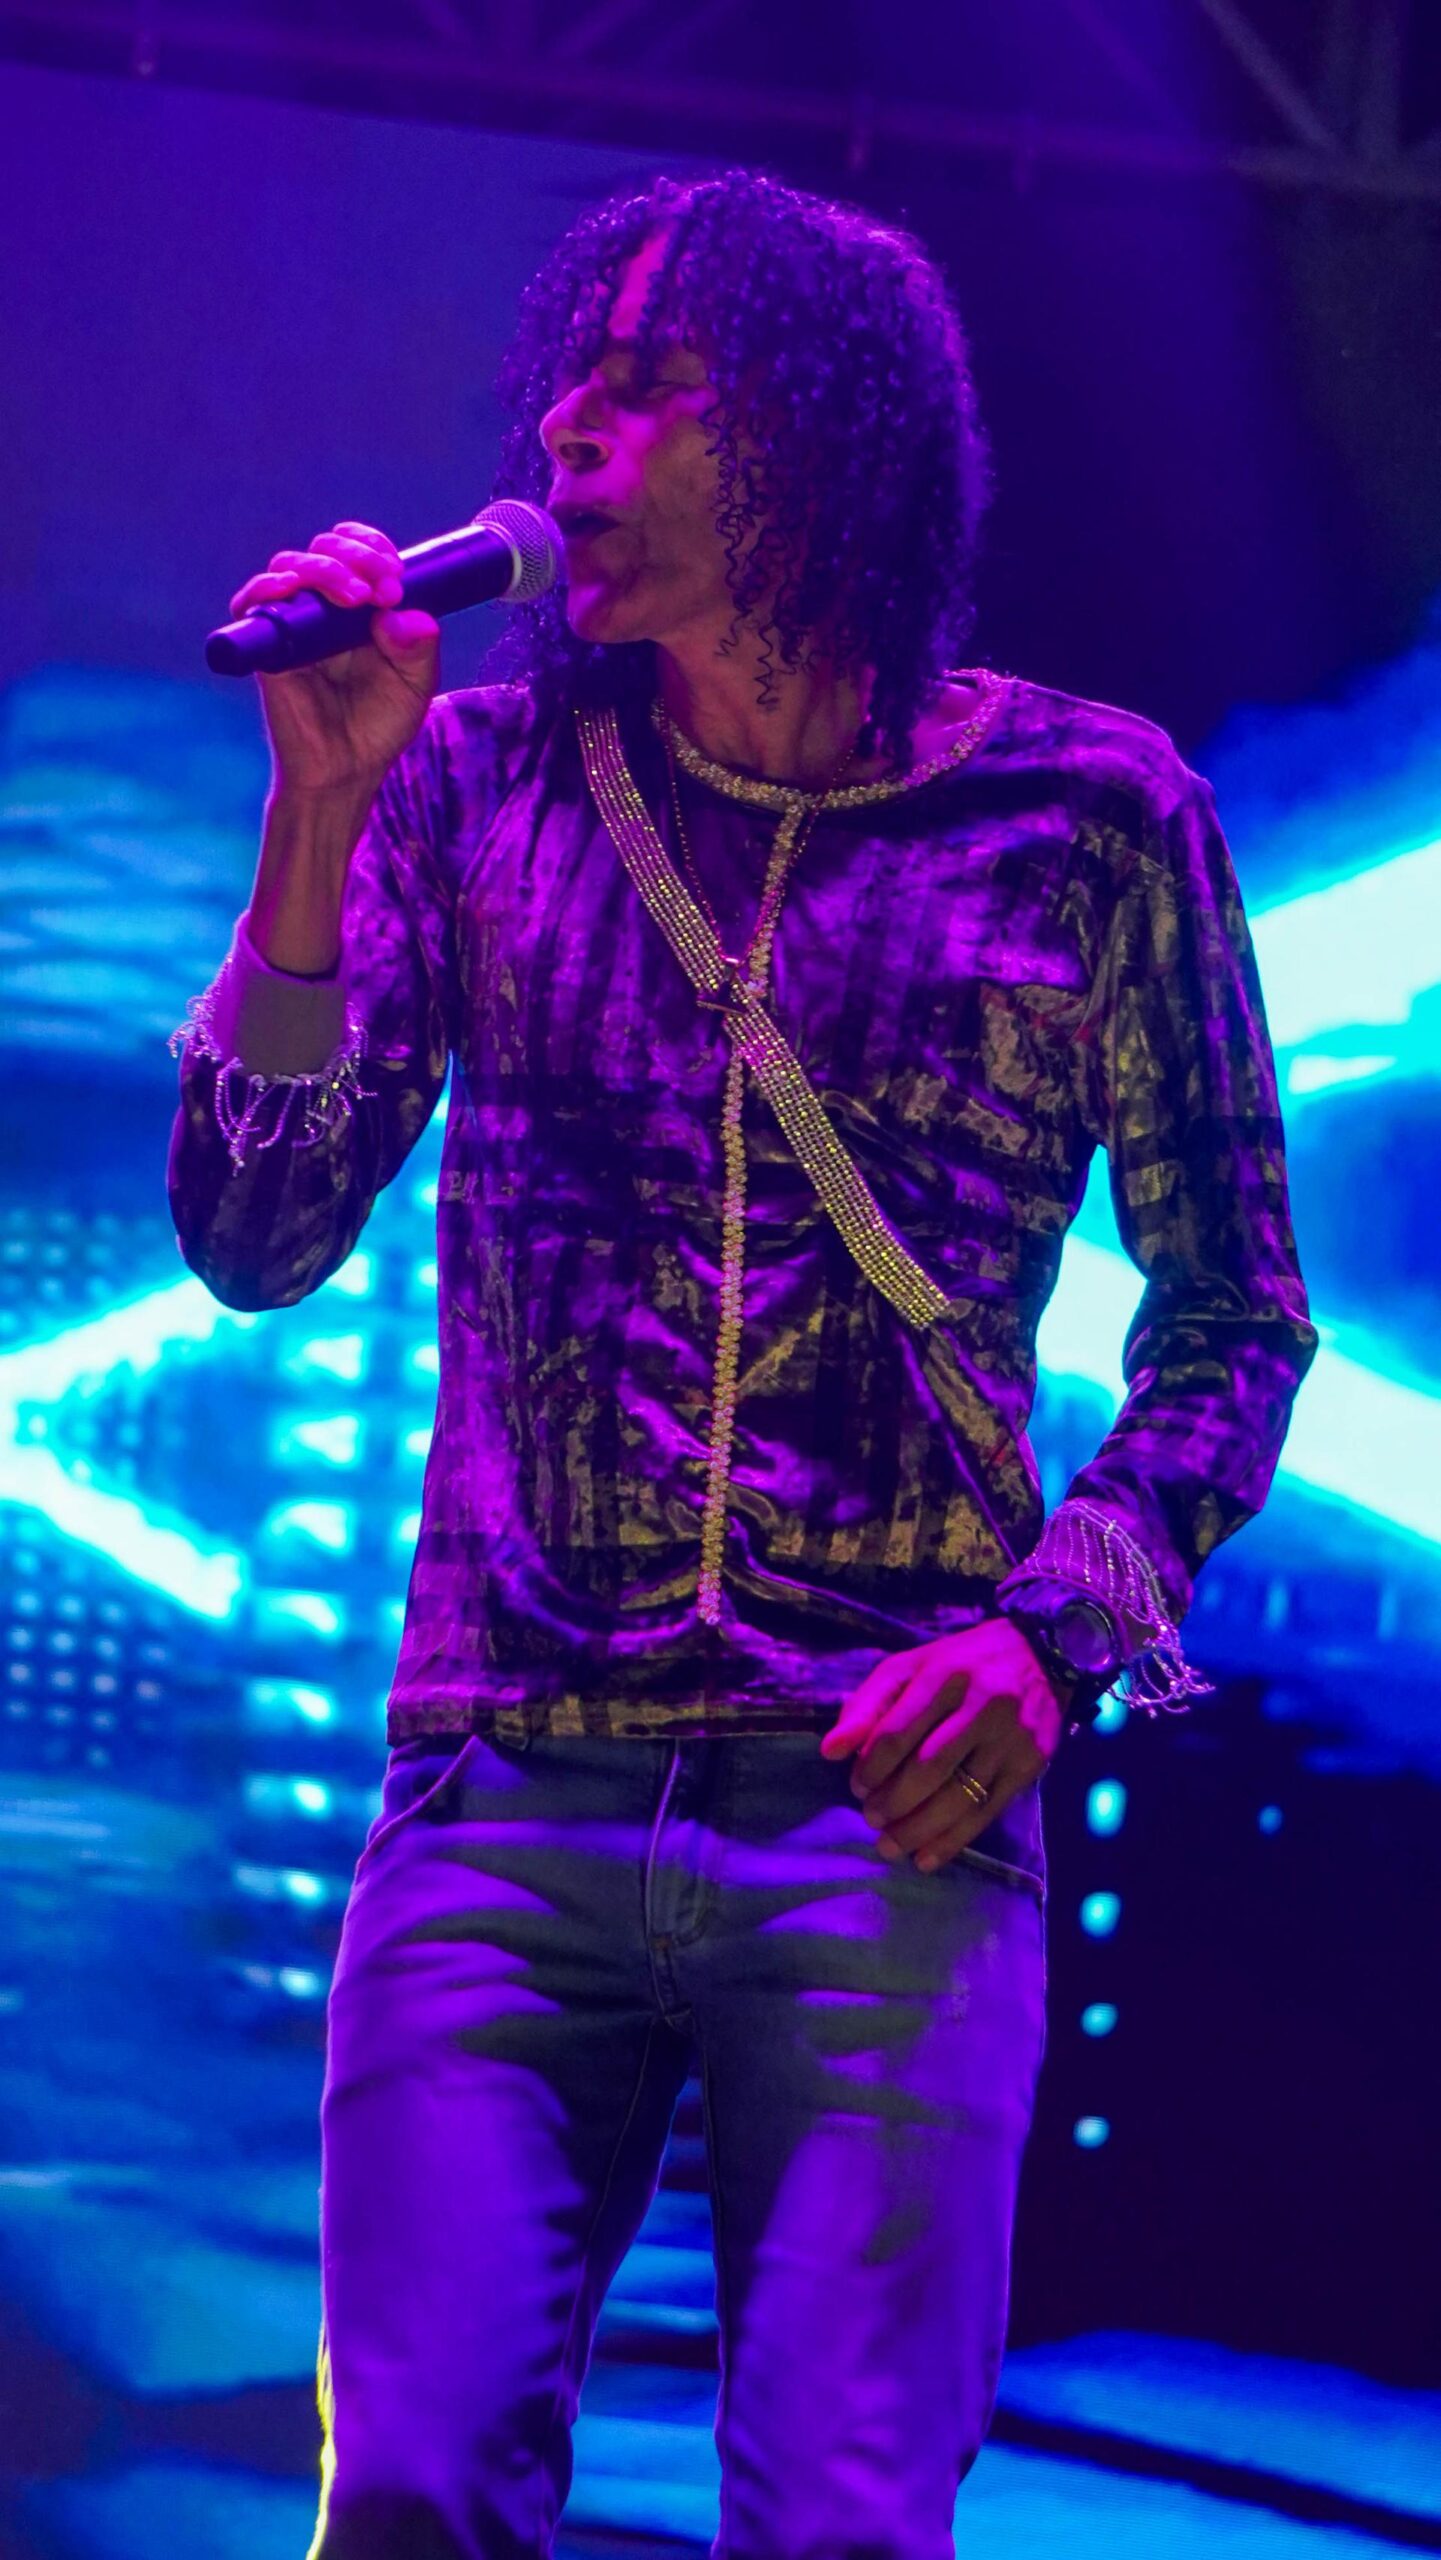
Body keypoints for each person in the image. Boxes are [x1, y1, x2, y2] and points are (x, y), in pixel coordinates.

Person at [168, 169, 1318, 2560]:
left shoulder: (1090, 816)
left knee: (843, 2526)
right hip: (503, 1785)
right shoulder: (481, 781)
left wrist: (1050, 1635)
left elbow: (1233, 1320)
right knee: (411, 2490)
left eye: (642, 385)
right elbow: (256, 1233)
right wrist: (318, 809)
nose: (565, 434)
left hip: (881, 1814)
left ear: (804, 428)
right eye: (565, 385)